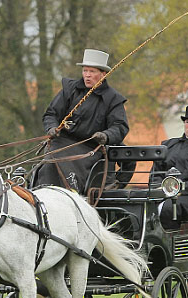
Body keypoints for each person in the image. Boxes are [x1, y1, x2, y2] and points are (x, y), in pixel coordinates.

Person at [36, 48, 129, 191]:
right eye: (85, 71)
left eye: (92, 72)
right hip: (61, 143)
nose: (87, 75)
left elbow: (120, 127)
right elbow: (51, 114)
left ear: (103, 74)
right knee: (50, 163)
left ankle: (72, 192)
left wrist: (105, 135)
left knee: (65, 163)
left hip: (91, 149)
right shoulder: (70, 90)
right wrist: (52, 128)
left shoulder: (113, 99)